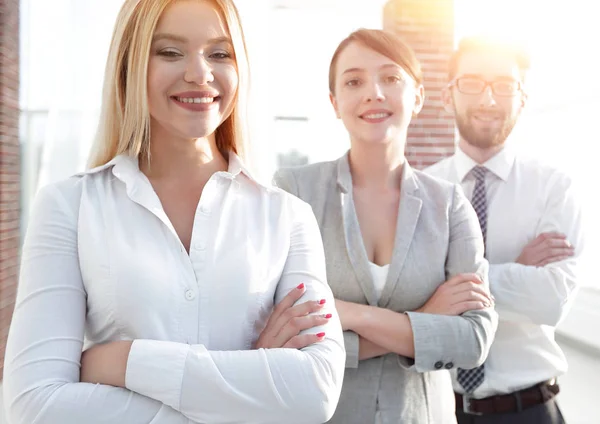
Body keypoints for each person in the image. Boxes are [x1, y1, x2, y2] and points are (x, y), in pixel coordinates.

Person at [3, 1, 345, 423]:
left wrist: (125, 361)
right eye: (169, 52)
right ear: (129, 66)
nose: (200, 73)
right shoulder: (68, 207)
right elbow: (32, 407)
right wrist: (246, 391)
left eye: (220, 54)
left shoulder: (288, 217)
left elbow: (315, 393)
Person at [274, 28, 498, 424]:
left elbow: (474, 341)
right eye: (354, 81)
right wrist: (425, 318)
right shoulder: (294, 192)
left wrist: (349, 314)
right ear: (334, 102)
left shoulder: (449, 204)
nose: (374, 92)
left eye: (391, 78)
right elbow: (283, 337)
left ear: (418, 98)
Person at [425, 36, 584, 424]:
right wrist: (516, 268)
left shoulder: (554, 187)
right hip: (438, 408)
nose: (488, 99)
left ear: (522, 99)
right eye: (472, 83)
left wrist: (451, 283)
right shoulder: (422, 192)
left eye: (503, 85)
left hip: (527, 410)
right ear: (448, 96)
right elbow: (407, 298)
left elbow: (551, 302)